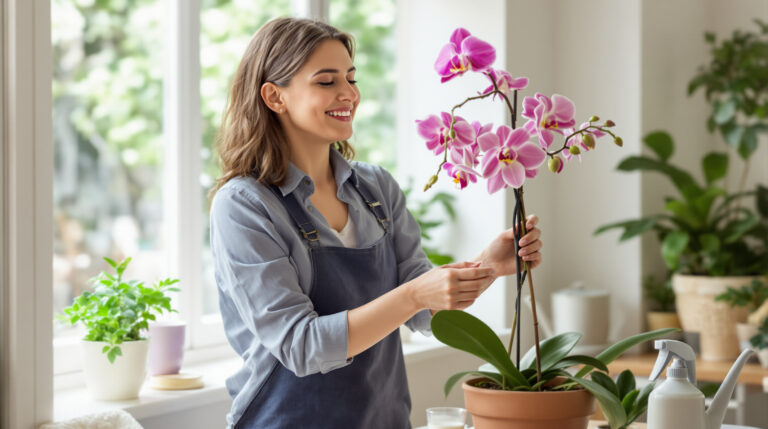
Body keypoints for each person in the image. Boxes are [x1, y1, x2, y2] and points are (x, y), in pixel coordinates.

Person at [209, 17, 543, 429]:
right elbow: (301, 346)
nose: (349, 93)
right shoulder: (244, 206)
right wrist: (414, 296)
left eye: (351, 78)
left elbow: (424, 312)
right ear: (274, 97)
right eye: (326, 81)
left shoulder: (375, 188)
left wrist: (487, 267)